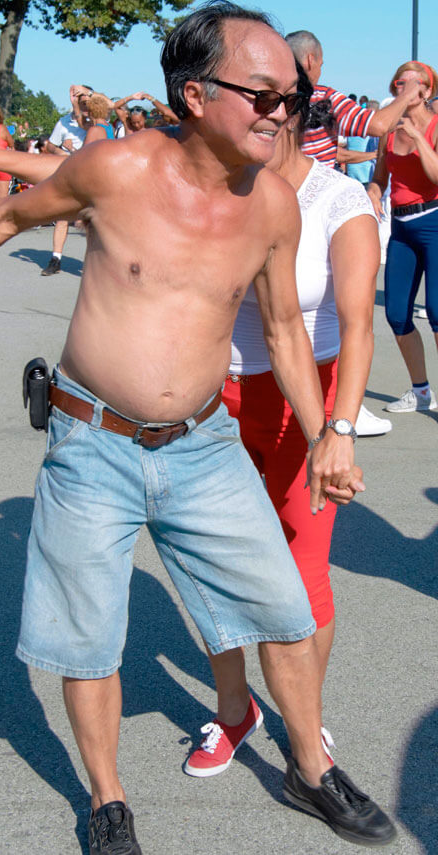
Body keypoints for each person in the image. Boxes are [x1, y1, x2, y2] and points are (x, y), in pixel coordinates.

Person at [0, 6, 397, 851]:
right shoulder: (116, 168)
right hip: (90, 441)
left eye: (294, 97)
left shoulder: (274, 206)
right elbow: (1, 220)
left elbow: (284, 331)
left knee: (284, 611)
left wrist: (328, 434)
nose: (283, 113)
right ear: (197, 94)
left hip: (206, 445)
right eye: (265, 94)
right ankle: (108, 798)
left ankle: (309, 770)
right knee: (88, 637)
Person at [183, 59, 384, 780]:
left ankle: (307, 718)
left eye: (270, 104)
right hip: (212, 395)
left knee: (300, 573)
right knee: (212, 562)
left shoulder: (340, 200)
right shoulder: (224, 182)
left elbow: (357, 326)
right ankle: (235, 709)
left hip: (306, 394)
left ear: (293, 113)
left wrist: (341, 427)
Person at [367, 61, 438, 413]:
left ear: (426, 91)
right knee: (396, 314)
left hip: (434, 220)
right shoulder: (388, 130)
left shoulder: (437, 125)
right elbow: (379, 177)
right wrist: (373, 192)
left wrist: (419, 136)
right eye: (397, 82)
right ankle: (421, 391)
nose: (401, 89)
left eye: (409, 83)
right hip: (401, 228)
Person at [286, 30, 423, 167]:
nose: (320, 72)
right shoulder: (323, 98)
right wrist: (407, 93)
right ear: (311, 60)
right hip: (311, 184)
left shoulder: (277, 97)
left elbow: (328, 151)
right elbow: (378, 125)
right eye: (321, 65)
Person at [41, 85, 92, 276]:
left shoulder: (94, 122)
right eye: (78, 98)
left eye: (84, 97)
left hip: (89, 176)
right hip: (68, 175)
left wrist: (73, 151)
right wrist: (61, 151)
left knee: (89, 221)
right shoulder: (63, 122)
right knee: (62, 217)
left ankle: (93, 263)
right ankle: (55, 259)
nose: (80, 100)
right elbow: (51, 145)